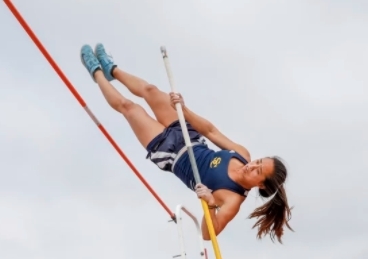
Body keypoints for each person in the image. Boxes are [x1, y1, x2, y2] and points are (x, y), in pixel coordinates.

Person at [79, 44, 293, 242]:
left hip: (170, 153)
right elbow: (210, 131)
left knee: (130, 108)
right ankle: (111, 69)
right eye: (258, 162)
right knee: (151, 91)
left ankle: (96, 73)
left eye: (258, 171)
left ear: (262, 184)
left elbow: (208, 235)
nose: (252, 165)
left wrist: (210, 204)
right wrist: (185, 109)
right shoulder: (241, 154)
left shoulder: (232, 199)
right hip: (189, 135)